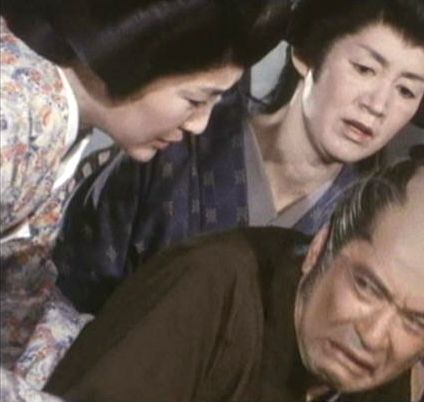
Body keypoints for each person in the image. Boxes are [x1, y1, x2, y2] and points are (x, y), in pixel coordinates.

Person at [53, 0, 424, 314]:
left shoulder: (370, 221)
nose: (377, 105)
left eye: (406, 91)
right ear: (306, 56)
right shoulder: (177, 141)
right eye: (364, 68)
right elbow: (65, 291)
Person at [44, 145, 424, 401]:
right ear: (320, 248)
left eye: (417, 322)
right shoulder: (210, 286)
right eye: (366, 286)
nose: (375, 335)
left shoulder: (385, 379)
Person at [0, 0, 289, 398]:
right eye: (195, 100)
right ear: (134, 56)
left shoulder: (54, 113)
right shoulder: (15, 116)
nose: (199, 124)